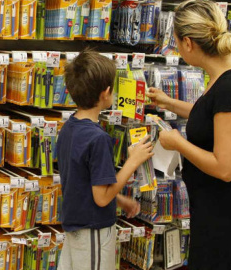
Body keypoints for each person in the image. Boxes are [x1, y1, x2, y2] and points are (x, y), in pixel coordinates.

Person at [147, 0, 231, 269]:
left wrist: (178, 143)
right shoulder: (230, 73)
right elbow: (216, 119)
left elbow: (226, 168)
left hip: (223, 215)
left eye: (177, 43)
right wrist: (170, 103)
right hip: (217, 208)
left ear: (188, 43)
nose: (178, 49)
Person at [57, 50, 154, 270]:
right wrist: (133, 161)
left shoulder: (69, 128)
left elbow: (84, 183)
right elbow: (101, 198)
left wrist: (120, 200)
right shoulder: (98, 139)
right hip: (93, 231)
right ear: (106, 93)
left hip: (75, 228)